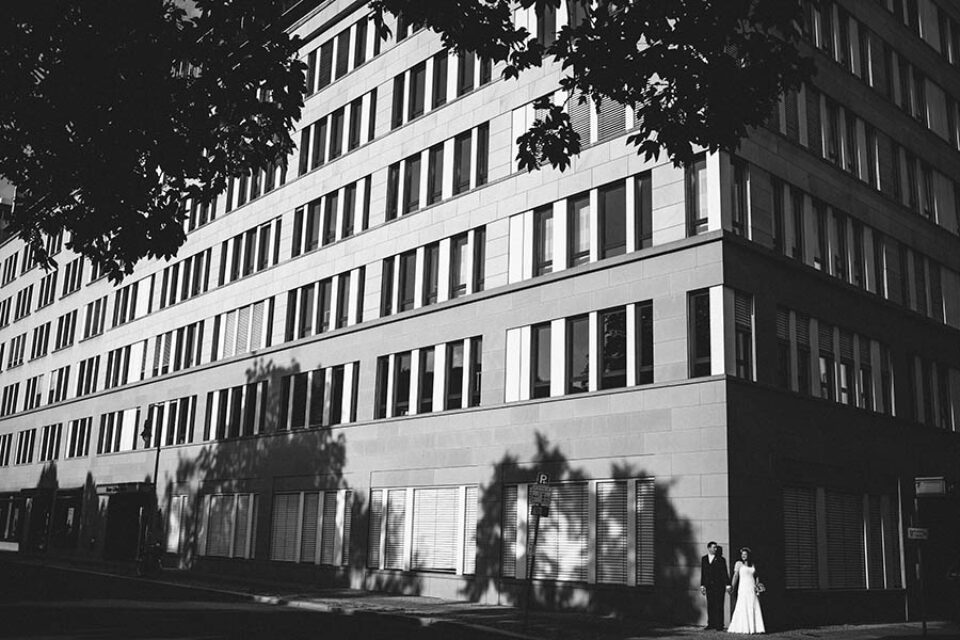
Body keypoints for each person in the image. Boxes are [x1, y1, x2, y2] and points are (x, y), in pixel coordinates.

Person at [727, 547, 765, 634]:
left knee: (753, 604)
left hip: (751, 587)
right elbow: (735, 576)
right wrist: (732, 586)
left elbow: (756, 576)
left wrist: (757, 585)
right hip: (743, 587)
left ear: (748, 555)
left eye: (745, 554)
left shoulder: (753, 564)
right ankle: (743, 627)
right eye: (742, 554)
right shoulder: (739, 564)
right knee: (743, 604)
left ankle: (755, 628)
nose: (743, 556)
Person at [700, 541, 731, 630]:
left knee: (719, 605)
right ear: (709, 548)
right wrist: (702, 585)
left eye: (716, 548)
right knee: (710, 605)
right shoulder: (704, 559)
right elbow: (703, 573)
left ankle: (719, 625)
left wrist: (727, 584)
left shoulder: (721, 559)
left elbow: (724, 572)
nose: (715, 549)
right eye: (714, 547)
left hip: (719, 586)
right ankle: (711, 624)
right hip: (709, 586)